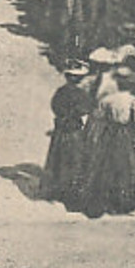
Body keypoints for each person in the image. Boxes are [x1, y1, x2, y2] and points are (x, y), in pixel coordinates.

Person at [79, 66, 135, 218]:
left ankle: (104, 201)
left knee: (105, 166)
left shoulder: (107, 100)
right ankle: (123, 203)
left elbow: (96, 118)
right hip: (123, 134)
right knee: (124, 167)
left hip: (107, 133)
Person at [44, 61, 93, 208]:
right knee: (75, 162)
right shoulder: (80, 94)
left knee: (58, 160)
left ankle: (56, 191)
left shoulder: (60, 92)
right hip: (74, 131)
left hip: (60, 130)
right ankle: (73, 198)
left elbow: (54, 107)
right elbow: (86, 110)